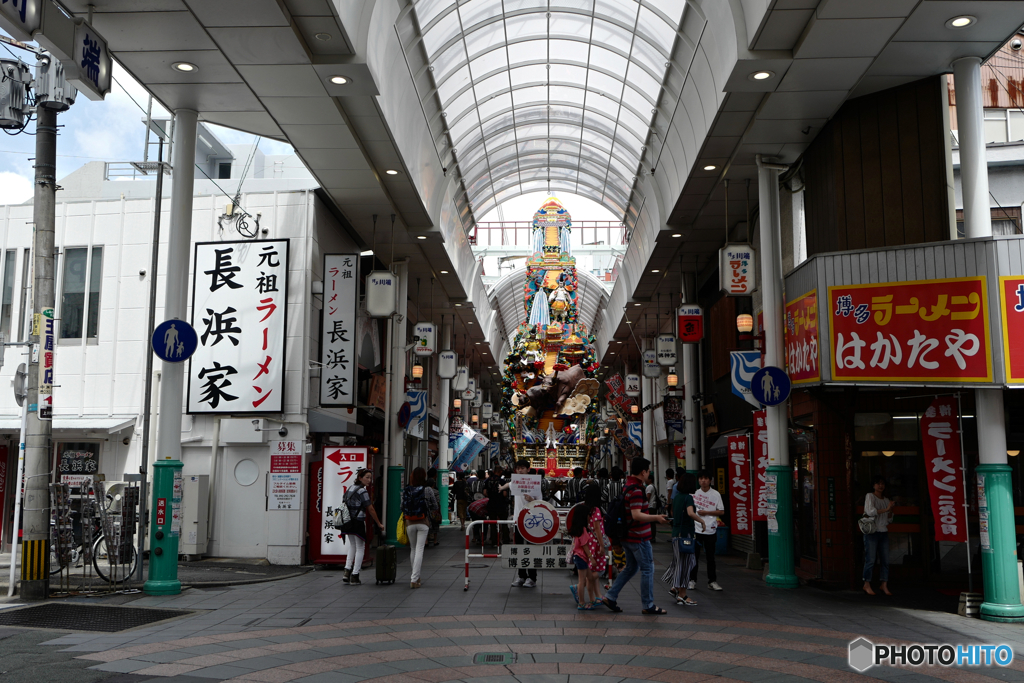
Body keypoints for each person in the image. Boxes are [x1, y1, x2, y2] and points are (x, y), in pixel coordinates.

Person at [602, 457, 669, 615]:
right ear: (643, 472)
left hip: (628, 536)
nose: (648, 474)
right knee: (647, 568)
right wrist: (657, 518)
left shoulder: (629, 486)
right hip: (638, 537)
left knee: (631, 568)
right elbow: (637, 515)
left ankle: (611, 596)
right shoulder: (637, 490)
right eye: (648, 471)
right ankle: (648, 604)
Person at [342, 469, 385, 585]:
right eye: (367, 477)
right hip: (358, 521)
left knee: (352, 546)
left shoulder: (350, 488)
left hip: (347, 522)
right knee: (360, 548)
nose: (369, 480)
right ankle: (355, 575)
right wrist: (379, 523)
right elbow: (370, 508)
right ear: (360, 477)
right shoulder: (362, 491)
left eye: (370, 478)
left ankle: (347, 571)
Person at [569, 481, 607, 609]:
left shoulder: (584, 507)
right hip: (594, 543)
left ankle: (595, 596)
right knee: (598, 570)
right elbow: (597, 528)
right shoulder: (595, 509)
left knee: (591, 571)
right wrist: (602, 545)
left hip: (587, 542)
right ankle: (582, 591)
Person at [670, 470, 704, 606]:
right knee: (687, 563)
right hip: (686, 535)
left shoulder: (677, 497)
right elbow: (690, 513)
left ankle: (675, 588)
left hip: (676, 533)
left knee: (680, 563)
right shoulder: (688, 498)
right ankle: (682, 595)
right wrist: (702, 521)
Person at [402, 467, 438, 589]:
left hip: (409, 522)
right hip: (423, 522)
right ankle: (414, 578)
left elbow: (402, 506)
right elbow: (435, 505)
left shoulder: (407, 490)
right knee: (419, 550)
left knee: (413, 549)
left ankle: (415, 576)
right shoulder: (427, 489)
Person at [690, 470, 725, 591]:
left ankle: (712, 581)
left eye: (705, 478)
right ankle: (692, 580)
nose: (703, 481)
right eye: (700, 478)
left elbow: (721, 511)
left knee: (710, 557)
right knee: (694, 556)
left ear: (710, 480)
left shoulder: (716, 494)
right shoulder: (694, 494)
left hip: (711, 529)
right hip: (696, 529)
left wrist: (707, 512)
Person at [506, 458, 538, 588]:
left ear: (528, 469)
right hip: (518, 520)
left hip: (531, 521)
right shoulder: (515, 482)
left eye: (522, 468)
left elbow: (539, 501)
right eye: (518, 468)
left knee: (531, 549)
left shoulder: (535, 483)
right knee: (519, 549)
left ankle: (532, 578)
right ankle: (521, 576)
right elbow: (507, 485)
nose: (520, 470)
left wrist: (531, 499)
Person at [863, 475, 895, 596]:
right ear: (873, 485)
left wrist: (890, 510)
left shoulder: (886, 500)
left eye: (882, 484)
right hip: (872, 531)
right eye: (878, 483)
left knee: (885, 560)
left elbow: (890, 520)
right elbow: (870, 511)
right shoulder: (870, 496)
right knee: (870, 559)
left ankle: (884, 584)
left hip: (883, 531)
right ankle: (866, 584)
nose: (880, 486)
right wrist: (887, 509)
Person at [485, 466, 508, 546]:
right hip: (501, 504)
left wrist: (491, 495)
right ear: (500, 471)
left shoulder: (487, 480)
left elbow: (485, 492)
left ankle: (494, 541)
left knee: (493, 523)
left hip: (491, 504)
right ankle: (505, 540)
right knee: (504, 522)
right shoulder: (502, 481)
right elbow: (505, 494)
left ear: (494, 471)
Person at [426, 467, 440, 547]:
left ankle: (426, 540)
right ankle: (435, 540)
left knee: (427, 524)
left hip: (426, 510)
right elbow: (437, 502)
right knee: (435, 524)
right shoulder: (436, 490)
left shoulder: (423, 489)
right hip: (434, 510)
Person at [646, 478, 662, 542]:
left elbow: (648, 496)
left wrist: (645, 504)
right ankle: (653, 536)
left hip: (650, 506)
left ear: (650, 479)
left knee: (650, 522)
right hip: (653, 506)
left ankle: (651, 536)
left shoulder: (649, 487)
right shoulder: (653, 486)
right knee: (652, 522)